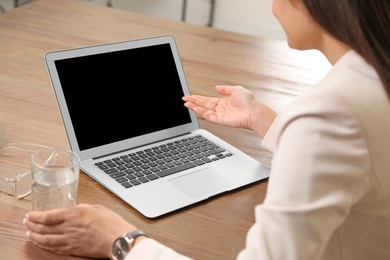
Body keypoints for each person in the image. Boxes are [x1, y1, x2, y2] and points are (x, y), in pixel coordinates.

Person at [23, 0, 390, 259]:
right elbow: (351, 157)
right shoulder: (372, 75)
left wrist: (120, 240)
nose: (273, 6)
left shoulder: (328, 114)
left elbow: (329, 133)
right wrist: (261, 118)